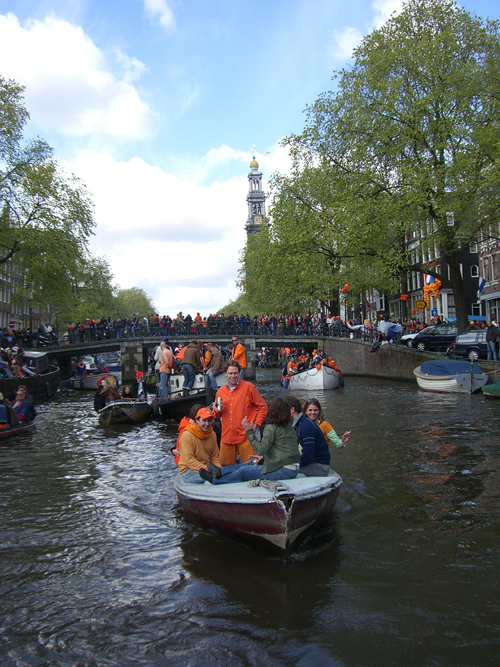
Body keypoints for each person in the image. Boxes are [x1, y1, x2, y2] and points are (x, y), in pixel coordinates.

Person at [199, 396, 300, 484]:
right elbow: (282, 448)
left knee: (244, 472)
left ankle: (215, 481)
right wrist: (264, 456)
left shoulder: (271, 428)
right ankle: (221, 471)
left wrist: (249, 431)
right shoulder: (289, 427)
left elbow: (260, 449)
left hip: (284, 470)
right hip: (292, 468)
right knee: (251, 463)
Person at [214, 361, 268, 465]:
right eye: (230, 373)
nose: (233, 376)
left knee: (251, 467)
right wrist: (215, 411)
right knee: (225, 469)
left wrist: (257, 424)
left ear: (239, 373)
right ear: (225, 374)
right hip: (227, 436)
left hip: (246, 436)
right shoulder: (220, 391)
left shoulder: (248, 387)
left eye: (235, 373)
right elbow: (217, 415)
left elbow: (263, 406)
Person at [286, 395, 331, 476]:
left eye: (285, 411)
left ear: (292, 410)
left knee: (284, 469)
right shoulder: (302, 424)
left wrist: (291, 464)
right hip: (317, 464)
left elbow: (308, 456)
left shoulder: (305, 426)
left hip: (320, 467)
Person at [178, 407, 221, 484]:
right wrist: (207, 469)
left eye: (209, 421)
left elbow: (214, 456)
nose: (207, 424)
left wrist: (218, 468)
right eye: (204, 421)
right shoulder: (187, 435)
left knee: (222, 475)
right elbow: (189, 460)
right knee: (215, 479)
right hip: (188, 471)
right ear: (197, 420)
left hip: (206, 468)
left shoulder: (212, 434)